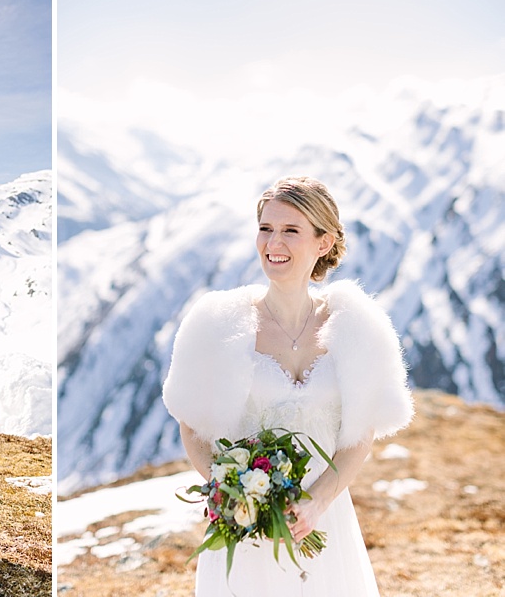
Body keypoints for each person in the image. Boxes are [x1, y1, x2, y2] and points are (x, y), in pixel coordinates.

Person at [162, 176, 414, 596]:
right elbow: (193, 428)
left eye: (290, 230)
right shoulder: (216, 323)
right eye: (266, 228)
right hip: (245, 520)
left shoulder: (355, 324)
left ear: (323, 242)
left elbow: (359, 434)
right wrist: (238, 496)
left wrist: (317, 502)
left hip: (324, 515)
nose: (272, 243)